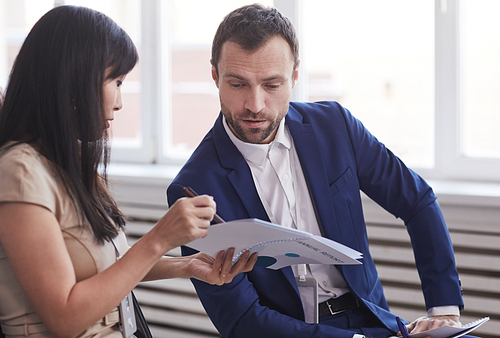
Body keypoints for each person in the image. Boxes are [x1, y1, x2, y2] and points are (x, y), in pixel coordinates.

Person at [167, 4, 468, 338]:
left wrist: (445, 311)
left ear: (295, 76)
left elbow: (416, 200)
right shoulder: (192, 188)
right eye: (238, 85)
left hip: (377, 323)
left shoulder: (335, 126)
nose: (255, 105)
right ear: (215, 76)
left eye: (271, 85)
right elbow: (241, 320)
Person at [0, 6, 257, 338]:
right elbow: (64, 318)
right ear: (74, 80)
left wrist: (186, 266)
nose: (120, 102)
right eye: (116, 81)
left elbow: (103, 269)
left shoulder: (64, 162)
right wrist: (159, 239)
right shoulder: (19, 173)